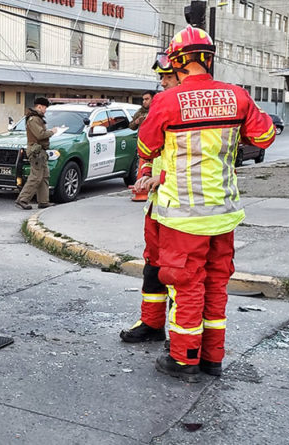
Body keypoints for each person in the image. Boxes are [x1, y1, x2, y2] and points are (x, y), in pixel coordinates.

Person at [137, 25, 275, 381]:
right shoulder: (237, 96)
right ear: (209, 59)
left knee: (186, 288)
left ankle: (185, 358)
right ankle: (213, 358)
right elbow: (263, 136)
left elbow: (147, 147)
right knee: (215, 284)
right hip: (224, 213)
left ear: (178, 63)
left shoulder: (167, 101)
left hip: (184, 217)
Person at [119, 55, 180, 345]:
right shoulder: (161, 107)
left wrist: (163, 178)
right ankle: (152, 323)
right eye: (162, 77)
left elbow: (197, 163)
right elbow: (148, 151)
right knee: (153, 266)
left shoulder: (190, 111)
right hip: (158, 205)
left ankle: (182, 335)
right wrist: (145, 172)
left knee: (178, 272)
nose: (163, 82)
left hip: (183, 207)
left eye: (168, 76)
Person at [16, 97, 56, 210]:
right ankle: (22, 200)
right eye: (44, 108)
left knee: (44, 176)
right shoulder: (33, 119)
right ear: (39, 106)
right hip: (36, 151)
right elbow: (40, 134)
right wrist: (51, 132)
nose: (45, 110)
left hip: (41, 151)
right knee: (36, 177)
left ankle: (43, 201)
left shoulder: (38, 118)